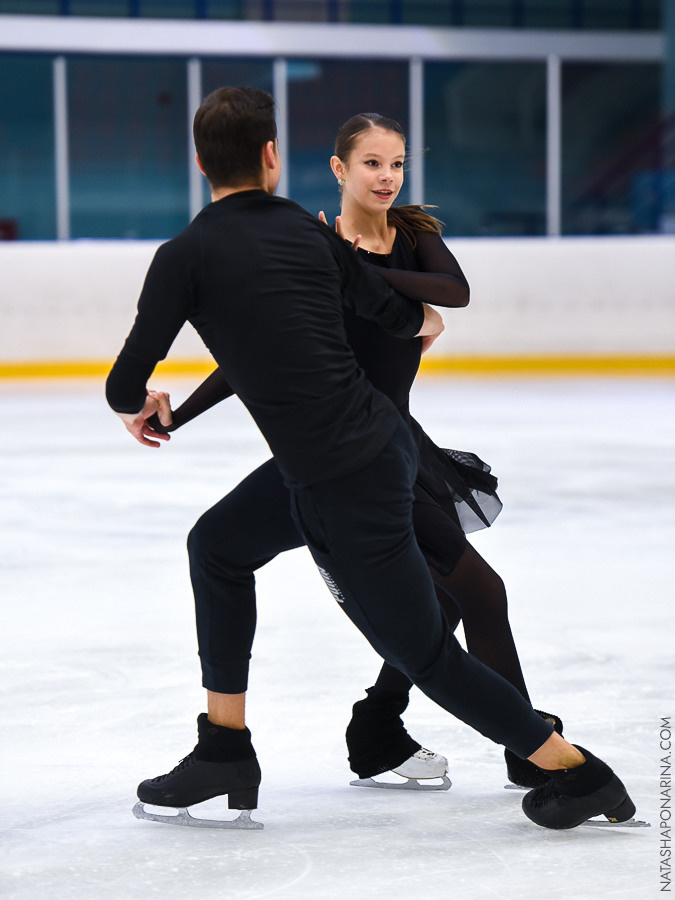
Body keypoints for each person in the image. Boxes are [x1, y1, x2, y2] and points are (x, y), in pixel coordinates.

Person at [106, 86, 637, 832]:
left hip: (345, 475)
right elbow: (400, 315)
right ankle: (224, 746)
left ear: (198, 163)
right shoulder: (305, 231)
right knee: (217, 548)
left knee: (424, 651)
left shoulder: (183, 256)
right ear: (271, 157)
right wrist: (422, 319)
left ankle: (575, 772)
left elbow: (125, 383)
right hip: (352, 454)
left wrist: (151, 406)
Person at [154, 112, 558, 793]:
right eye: (371, 164)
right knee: (464, 600)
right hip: (338, 459)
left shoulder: (409, 236)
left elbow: (454, 294)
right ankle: (510, 746)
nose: (387, 177)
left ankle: (381, 728)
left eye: (396, 164)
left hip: (399, 447)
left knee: (461, 603)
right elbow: (256, 356)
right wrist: (181, 416)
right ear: (339, 170)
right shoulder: (309, 248)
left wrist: (349, 267)